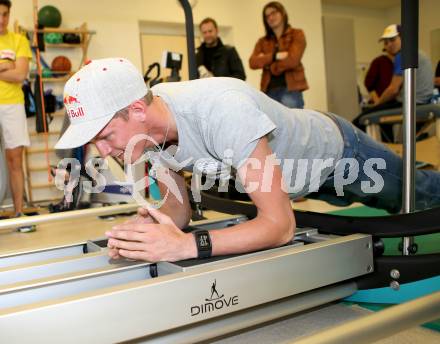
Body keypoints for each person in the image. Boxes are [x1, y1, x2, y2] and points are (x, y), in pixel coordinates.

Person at [55, 58, 440, 262]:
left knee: (419, 197)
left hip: (338, 154)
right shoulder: (144, 138)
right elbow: (178, 208)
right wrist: (150, 232)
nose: (102, 152)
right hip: (292, 175)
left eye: (104, 136)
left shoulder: (221, 111)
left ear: (137, 110)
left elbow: (279, 226)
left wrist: (187, 247)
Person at [0, 0, 34, 232]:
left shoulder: (19, 41)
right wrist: (4, 66)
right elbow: (12, 72)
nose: (1, 19)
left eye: (4, 14)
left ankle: (19, 213)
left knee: (15, 161)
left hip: (12, 105)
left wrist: (12, 69)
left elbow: (20, 75)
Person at [249, 1, 308, 109]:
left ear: (283, 13)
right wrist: (274, 56)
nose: (270, 17)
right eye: (267, 16)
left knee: (292, 124)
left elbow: (293, 60)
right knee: (272, 125)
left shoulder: (297, 34)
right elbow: (252, 62)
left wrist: (271, 66)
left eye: (274, 13)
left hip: (291, 90)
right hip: (268, 92)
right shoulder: (262, 41)